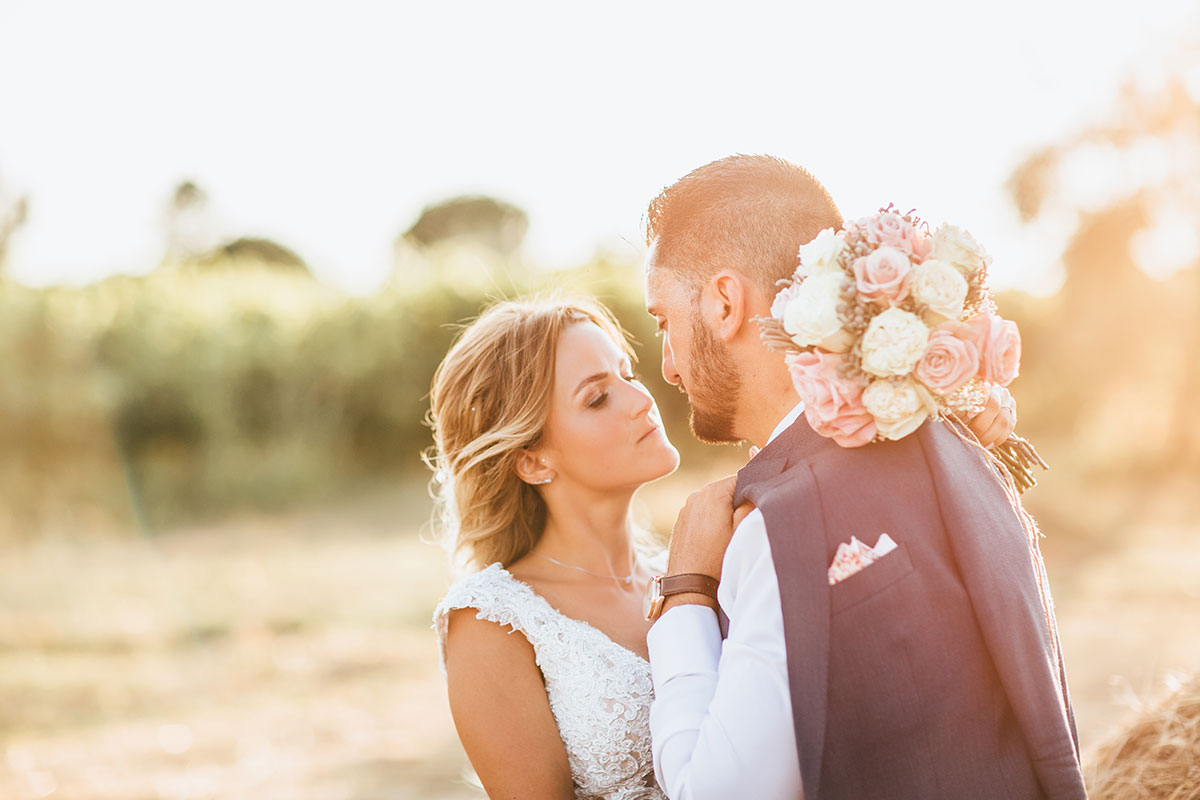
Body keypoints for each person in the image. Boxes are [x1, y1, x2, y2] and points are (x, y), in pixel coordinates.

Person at [428, 293, 1015, 799]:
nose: (641, 399)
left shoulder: (705, 560)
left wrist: (939, 427)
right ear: (532, 459)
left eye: (628, 374)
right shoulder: (493, 621)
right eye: (597, 398)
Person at [642, 155, 1087, 800]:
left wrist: (685, 595)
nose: (669, 366)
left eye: (663, 321)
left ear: (724, 303)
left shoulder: (783, 521)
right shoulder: (953, 438)